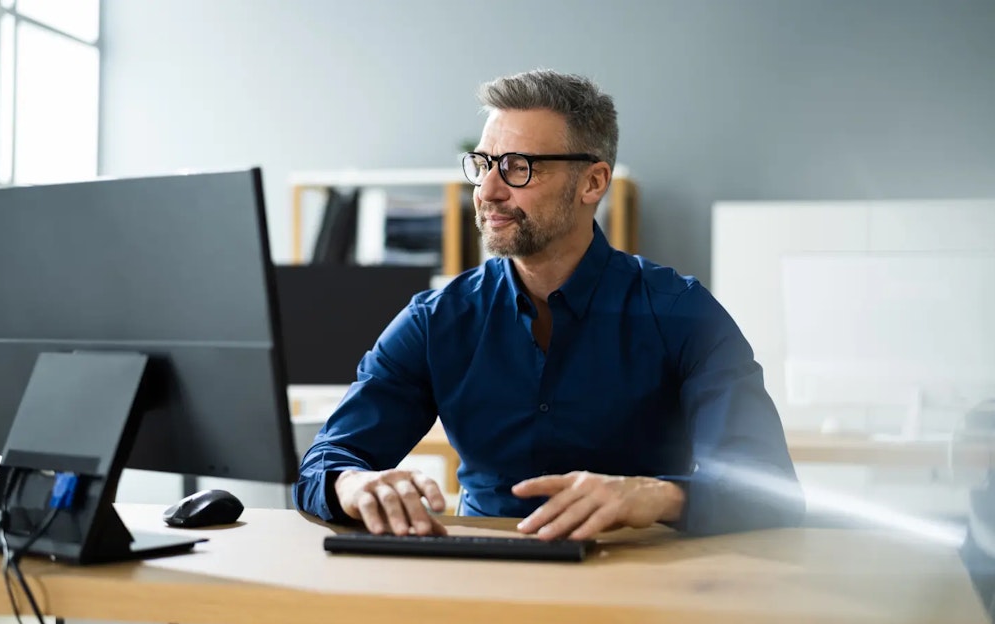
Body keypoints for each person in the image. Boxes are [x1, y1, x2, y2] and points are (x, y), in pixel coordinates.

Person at [293, 69, 804, 544]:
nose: (488, 190)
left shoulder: (683, 314)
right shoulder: (435, 320)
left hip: (638, 596)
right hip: (478, 597)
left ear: (593, 182)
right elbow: (324, 464)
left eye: (519, 168)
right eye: (483, 164)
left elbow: (769, 490)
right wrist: (354, 485)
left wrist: (656, 494)